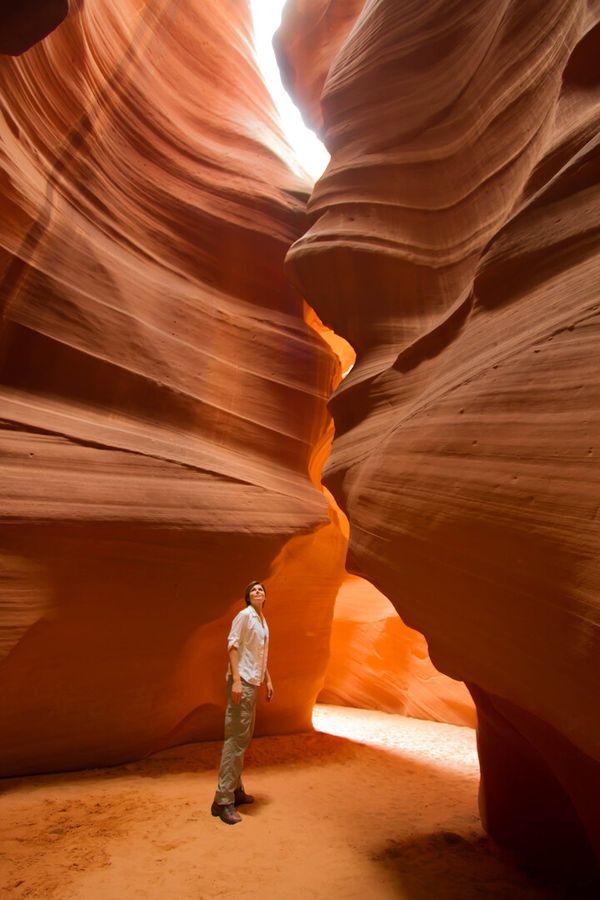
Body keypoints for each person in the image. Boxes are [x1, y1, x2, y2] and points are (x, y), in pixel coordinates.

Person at [211, 580, 273, 825]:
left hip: (253, 681)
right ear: (248, 597)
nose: (258, 591)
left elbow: (259, 653)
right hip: (243, 682)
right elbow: (233, 646)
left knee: (243, 738)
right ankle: (222, 800)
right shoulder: (244, 616)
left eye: (261, 589)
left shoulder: (261, 620)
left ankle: (235, 790)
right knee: (235, 739)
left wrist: (268, 679)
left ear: (265, 597)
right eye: (253, 590)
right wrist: (236, 680)